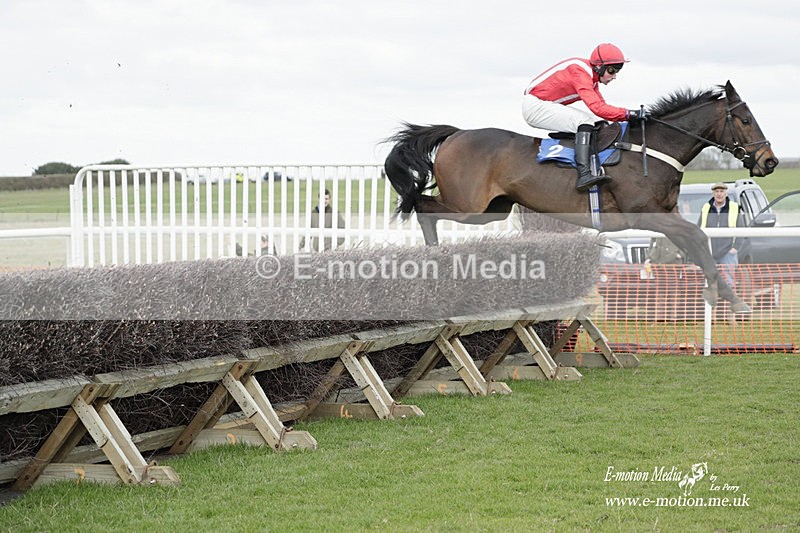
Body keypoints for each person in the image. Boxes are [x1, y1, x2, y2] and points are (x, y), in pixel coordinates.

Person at [522, 42, 645, 192]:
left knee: (598, 122)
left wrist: (628, 116)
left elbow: (602, 108)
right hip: (535, 106)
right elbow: (597, 108)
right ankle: (584, 174)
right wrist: (629, 114)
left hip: (543, 103)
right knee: (585, 121)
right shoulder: (580, 72)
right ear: (599, 66)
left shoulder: (591, 78)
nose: (614, 77)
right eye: (612, 71)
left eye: (618, 71)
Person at [698, 182, 745, 289]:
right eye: (717, 191)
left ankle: (729, 305)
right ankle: (712, 305)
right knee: (709, 283)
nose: (719, 194)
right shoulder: (706, 208)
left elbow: (741, 229)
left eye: (721, 191)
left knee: (729, 282)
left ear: (726, 194)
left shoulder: (734, 208)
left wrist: (735, 248)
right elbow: (699, 228)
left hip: (728, 252)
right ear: (713, 194)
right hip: (709, 252)